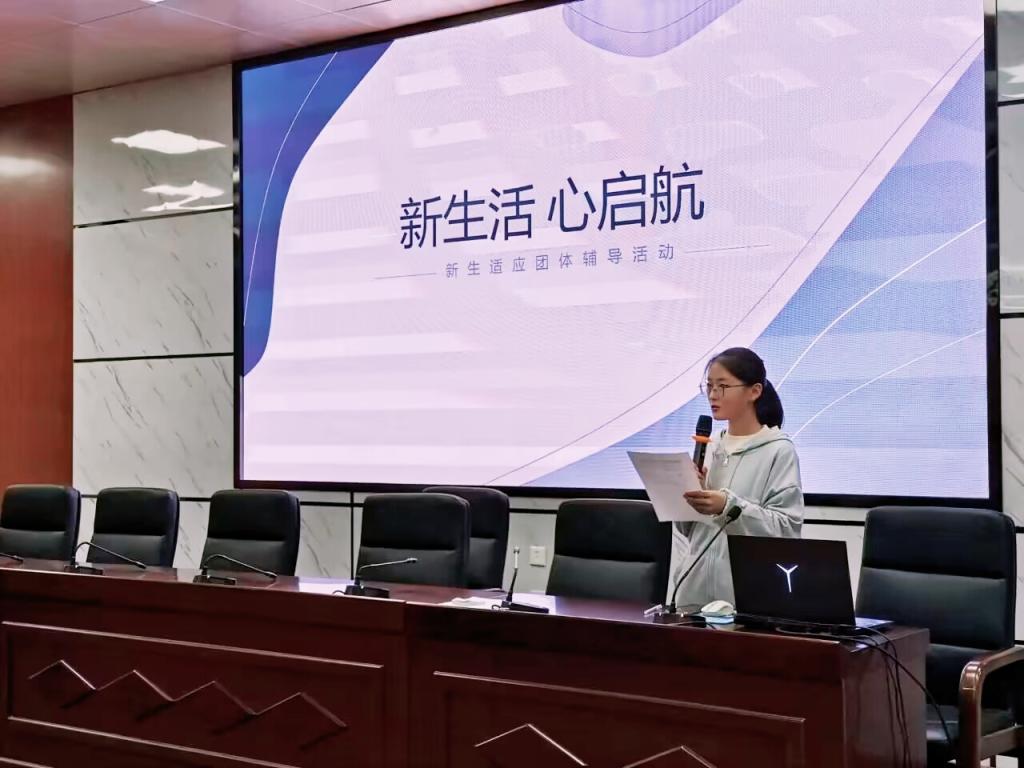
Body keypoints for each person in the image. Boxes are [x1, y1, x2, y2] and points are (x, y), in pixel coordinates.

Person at [672, 347, 804, 607]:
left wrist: (727, 505)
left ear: (754, 391)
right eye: (709, 386)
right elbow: (689, 531)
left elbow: (786, 531)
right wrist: (688, 499)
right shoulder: (709, 447)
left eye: (722, 386)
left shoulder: (778, 450)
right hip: (693, 596)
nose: (713, 394)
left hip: (747, 599)